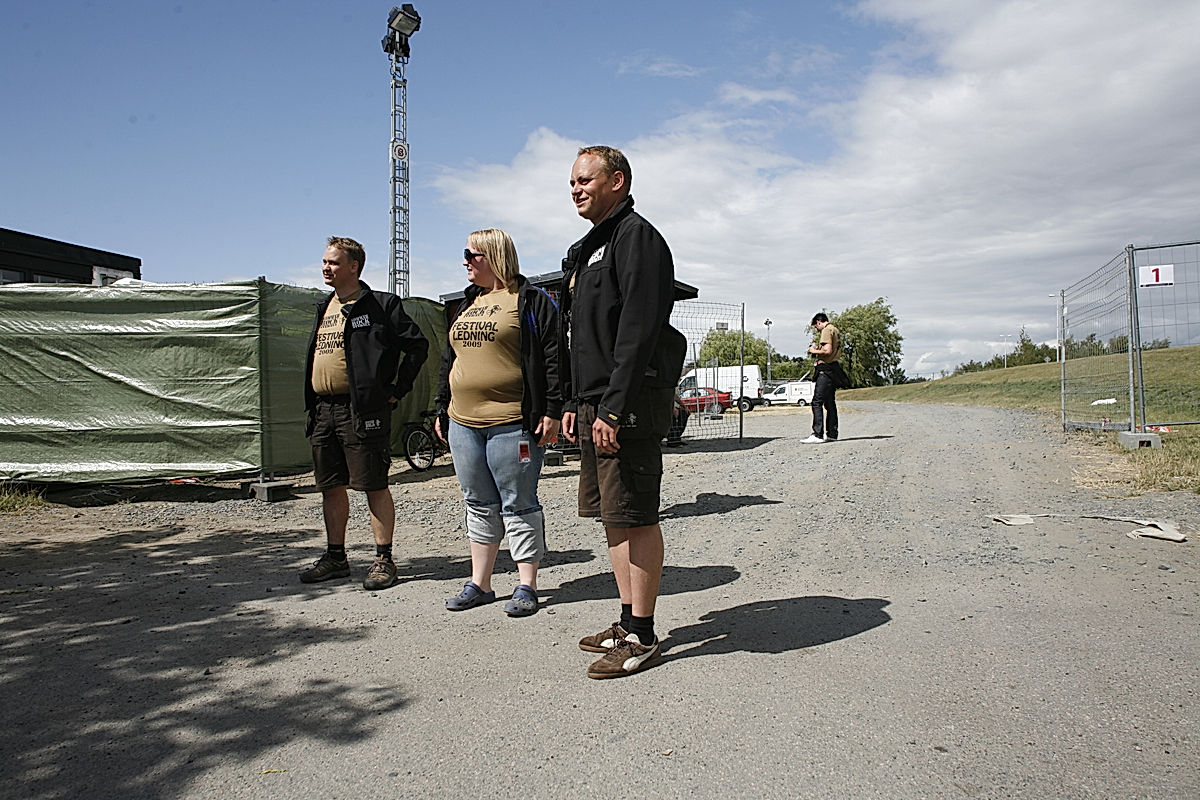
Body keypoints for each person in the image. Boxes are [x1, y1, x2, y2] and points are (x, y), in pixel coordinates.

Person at [561, 145, 686, 679]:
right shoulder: (591, 248)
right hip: (595, 403)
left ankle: (643, 634)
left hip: (625, 405)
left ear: (617, 179)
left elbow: (636, 332)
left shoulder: (638, 239)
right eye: (572, 182)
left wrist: (612, 408)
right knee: (613, 515)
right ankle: (626, 618)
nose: (576, 189)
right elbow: (581, 338)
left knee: (636, 514)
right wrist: (574, 402)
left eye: (586, 179)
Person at [434, 229, 562, 617]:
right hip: (464, 423)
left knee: (518, 502)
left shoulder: (532, 301)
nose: (465, 262)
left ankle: (526, 585)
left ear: (493, 256)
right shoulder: (464, 304)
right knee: (478, 501)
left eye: (471, 254)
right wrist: (441, 408)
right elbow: (449, 360)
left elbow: (555, 358)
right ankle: (481, 583)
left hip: (512, 423)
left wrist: (553, 411)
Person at [300, 236, 428, 590]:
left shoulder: (380, 305)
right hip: (323, 410)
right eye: (325, 261)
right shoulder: (324, 306)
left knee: (374, 484)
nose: (326, 267)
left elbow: (417, 346)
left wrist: (395, 390)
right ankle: (336, 558)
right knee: (330, 486)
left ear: (354, 266)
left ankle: (384, 559)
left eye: (334, 262)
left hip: (361, 410)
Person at [804, 312, 841, 443]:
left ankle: (817, 434)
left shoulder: (826, 330)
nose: (816, 329)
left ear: (819, 322)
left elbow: (827, 351)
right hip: (834, 368)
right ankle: (832, 433)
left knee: (817, 401)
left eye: (816, 326)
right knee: (830, 402)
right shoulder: (835, 330)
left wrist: (813, 351)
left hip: (825, 369)